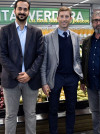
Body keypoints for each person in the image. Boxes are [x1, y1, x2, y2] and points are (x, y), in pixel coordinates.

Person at [0, 0, 44, 133]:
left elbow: (40, 55)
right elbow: (2, 55)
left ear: (29, 12)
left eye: (25, 9)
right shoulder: (5, 31)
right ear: (14, 11)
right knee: (10, 115)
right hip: (11, 80)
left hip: (31, 80)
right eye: (19, 9)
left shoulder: (36, 32)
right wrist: (17, 74)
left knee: (30, 114)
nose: (22, 12)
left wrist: (29, 73)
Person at [41, 6, 83, 134]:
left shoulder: (75, 36)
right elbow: (44, 62)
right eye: (62, 17)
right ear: (58, 18)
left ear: (70, 19)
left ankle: (69, 131)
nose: (64, 19)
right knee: (53, 109)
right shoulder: (48, 38)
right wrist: (44, 82)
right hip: (55, 77)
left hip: (72, 78)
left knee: (71, 109)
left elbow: (77, 59)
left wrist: (81, 78)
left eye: (67, 17)